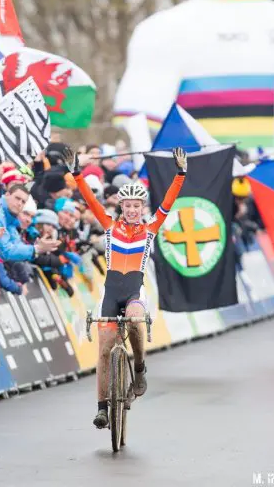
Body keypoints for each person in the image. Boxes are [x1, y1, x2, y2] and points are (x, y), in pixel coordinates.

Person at [67, 145, 187, 430]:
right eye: (128, 206)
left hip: (134, 289)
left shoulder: (150, 228)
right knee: (105, 348)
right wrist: (76, 174)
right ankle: (102, 409)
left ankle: (140, 368)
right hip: (111, 291)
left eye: (137, 206)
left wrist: (180, 174)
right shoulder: (109, 226)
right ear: (121, 207)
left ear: (142, 208)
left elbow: (168, 203)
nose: (132, 210)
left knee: (135, 318)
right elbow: (89, 199)